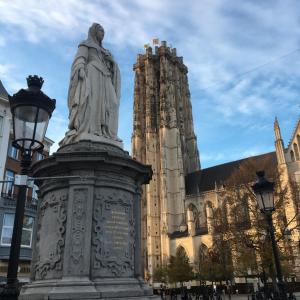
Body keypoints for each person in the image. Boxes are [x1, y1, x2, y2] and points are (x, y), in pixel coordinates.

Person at [61, 23, 121, 146]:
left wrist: (111, 61)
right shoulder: (86, 44)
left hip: (105, 77)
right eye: (100, 31)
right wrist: (81, 69)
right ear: (94, 31)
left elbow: (112, 68)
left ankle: (107, 133)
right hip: (92, 73)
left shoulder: (106, 51)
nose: (103, 34)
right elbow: (79, 58)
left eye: (104, 32)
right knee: (93, 102)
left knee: (112, 103)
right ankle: (92, 130)